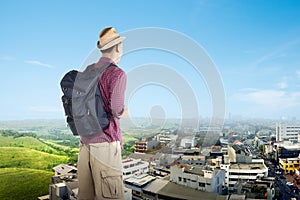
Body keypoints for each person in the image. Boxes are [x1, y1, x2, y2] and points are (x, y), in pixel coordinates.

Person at [77, 27, 126, 200]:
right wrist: (124, 111)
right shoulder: (117, 73)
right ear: (118, 47)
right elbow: (116, 108)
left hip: (84, 146)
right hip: (105, 146)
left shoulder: (88, 70)